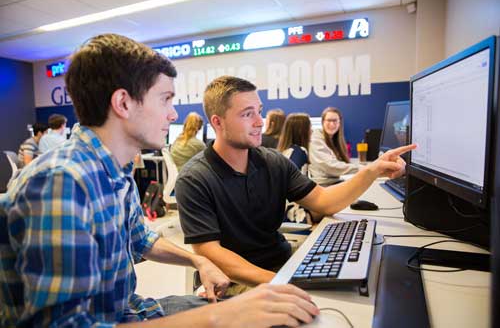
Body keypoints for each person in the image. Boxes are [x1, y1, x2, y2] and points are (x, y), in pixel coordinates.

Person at [0, 34, 319, 328]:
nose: (172, 113)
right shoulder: (63, 183)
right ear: (123, 103)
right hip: (115, 319)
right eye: (165, 99)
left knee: (276, 313)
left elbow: (142, 239)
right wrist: (220, 315)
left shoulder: (115, 173)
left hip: (129, 309)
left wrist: (198, 260)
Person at [176, 75, 415, 288]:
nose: (260, 122)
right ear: (217, 122)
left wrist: (371, 171)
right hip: (238, 281)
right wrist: (283, 282)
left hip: (281, 263)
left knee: (369, 276)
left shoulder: (273, 162)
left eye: (260, 111)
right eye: (248, 114)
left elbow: (323, 201)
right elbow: (210, 252)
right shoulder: (194, 178)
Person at [309, 107, 359, 186]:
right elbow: (330, 166)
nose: (332, 124)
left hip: (333, 183)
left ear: (340, 123)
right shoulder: (315, 139)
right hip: (323, 186)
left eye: (335, 121)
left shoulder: (335, 140)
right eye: (329, 120)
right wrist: (361, 168)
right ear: (322, 122)